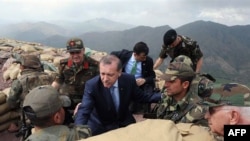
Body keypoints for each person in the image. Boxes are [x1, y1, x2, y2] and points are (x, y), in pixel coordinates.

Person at [74, 55, 161, 136]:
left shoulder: (128, 80)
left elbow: (142, 97)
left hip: (124, 122)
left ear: (119, 72)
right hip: (101, 125)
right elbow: (84, 111)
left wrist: (164, 96)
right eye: (102, 74)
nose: (105, 79)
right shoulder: (92, 85)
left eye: (110, 75)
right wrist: (78, 132)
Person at [51, 38, 99, 123]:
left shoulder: (94, 66)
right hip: (68, 102)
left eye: (78, 52)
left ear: (83, 51)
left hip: (87, 102)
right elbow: (57, 82)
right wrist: (49, 94)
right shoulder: (64, 65)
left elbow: (100, 87)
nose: (75, 55)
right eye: (72, 53)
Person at [22, 85, 91, 140]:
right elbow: (85, 132)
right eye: (62, 107)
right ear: (57, 117)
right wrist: (77, 117)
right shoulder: (77, 135)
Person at [7, 55, 55, 132]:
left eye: (20, 65)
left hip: (31, 118)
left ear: (23, 67)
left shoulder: (19, 81)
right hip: (50, 114)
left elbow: (11, 103)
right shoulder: (50, 77)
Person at [156, 61, 208, 126]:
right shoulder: (167, 97)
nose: (166, 85)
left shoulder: (196, 110)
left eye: (171, 81)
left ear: (185, 84)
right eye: (166, 80)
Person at [111, 41, 156, 113]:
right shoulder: (124, 55)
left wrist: (144, 80)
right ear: (135, 54)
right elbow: (112, 54)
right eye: (142, 57)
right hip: (125, 82)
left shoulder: (148, 61)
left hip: (139, 85)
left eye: (145, 56)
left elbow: (152, 76)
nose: (144, 59)